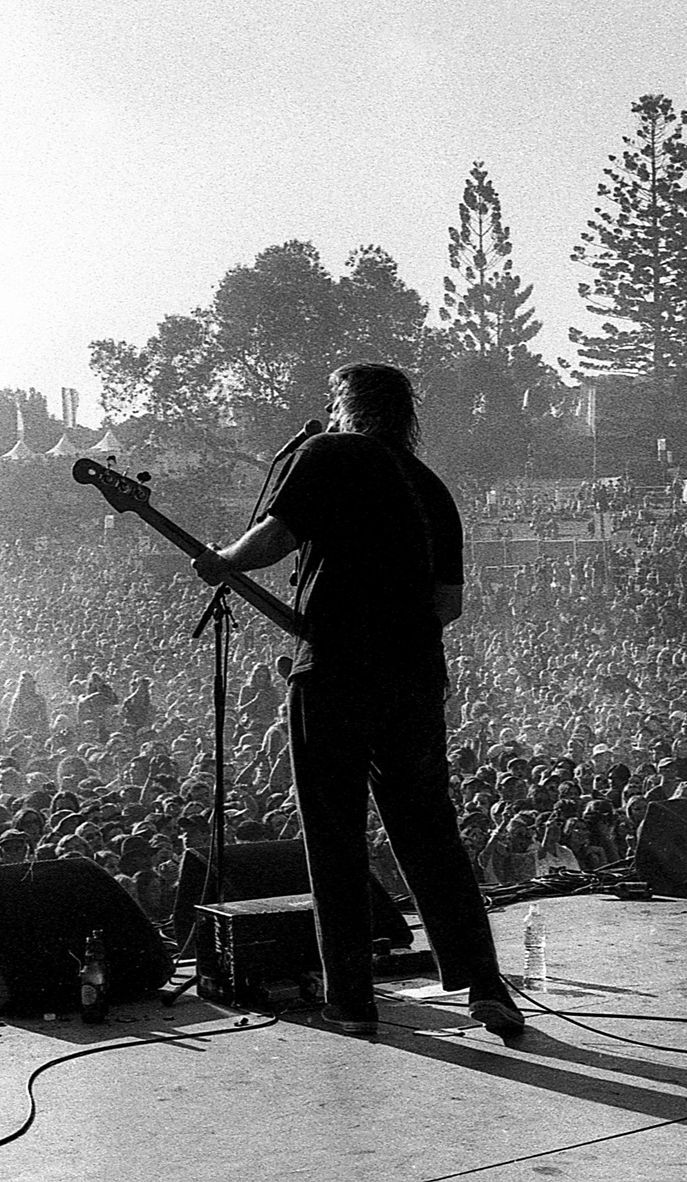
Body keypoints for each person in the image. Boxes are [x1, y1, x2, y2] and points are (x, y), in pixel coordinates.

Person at [193, 362, 522, 1038]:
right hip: (414, 680)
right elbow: (448, 605)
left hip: (336, 669)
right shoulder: (432, 488)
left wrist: (224, 558)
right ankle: (486, 984)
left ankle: (350, 998)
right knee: (431, 829)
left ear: (346, 407)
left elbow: (278, 535)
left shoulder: (328, 452)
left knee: (334, 833)